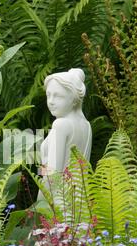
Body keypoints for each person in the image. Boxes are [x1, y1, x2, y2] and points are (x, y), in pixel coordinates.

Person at [38, 68, 92, 200]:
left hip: (58, 201)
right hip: (79, 202)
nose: (51, 101)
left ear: (74, 99)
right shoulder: (87, 126)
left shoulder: (61, 125)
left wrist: (40, 202)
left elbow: (53, 174)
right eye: (48, 95)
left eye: (58, 96)